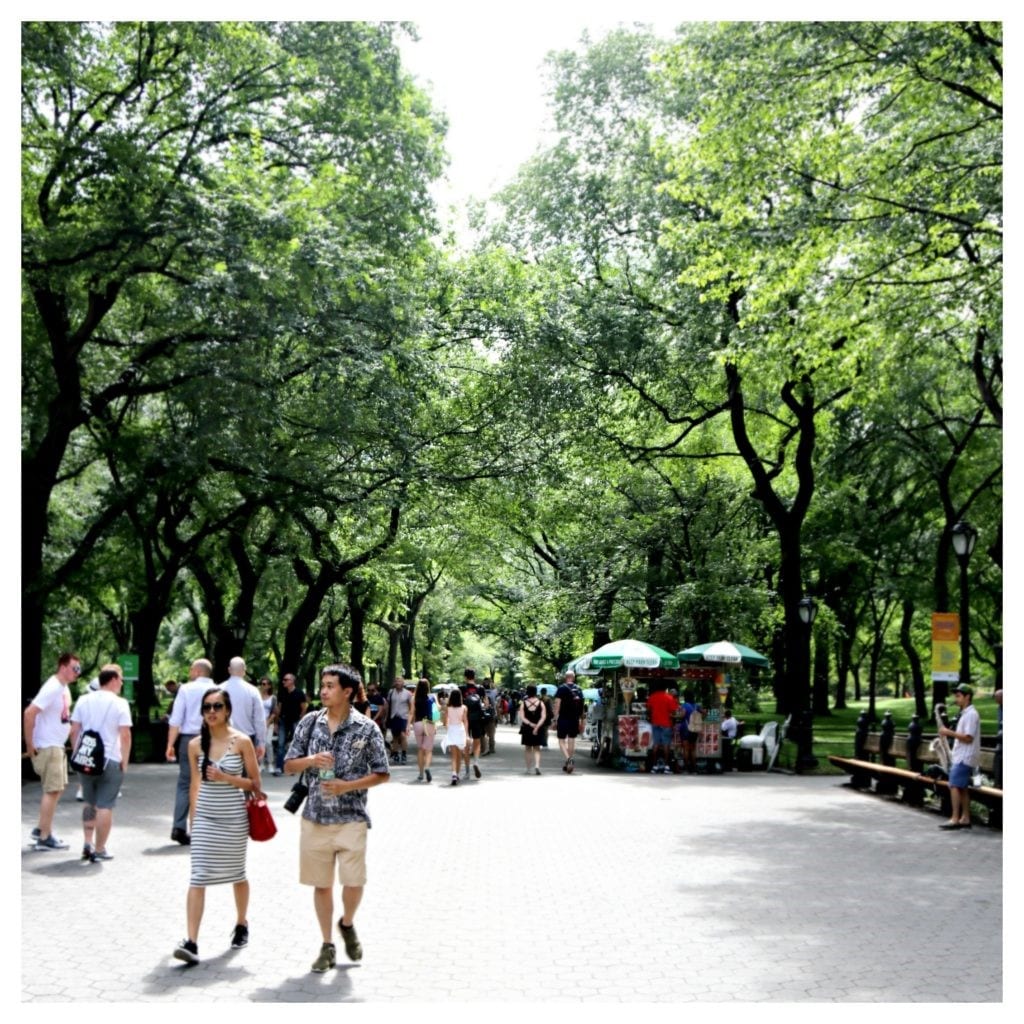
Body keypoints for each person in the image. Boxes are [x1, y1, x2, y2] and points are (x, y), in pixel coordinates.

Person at [284, 664, 390, 972]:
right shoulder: (309, 722)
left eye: (330, 685)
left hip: (351, 817)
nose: (324, 690)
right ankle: (327, 945)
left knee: (354, 881)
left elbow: (382, 773)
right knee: (322, 884)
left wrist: (347, 786)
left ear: (347, 691)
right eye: (323, 685)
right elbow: (289, 764)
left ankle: (347, 922)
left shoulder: (366, 728)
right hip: (315, 816)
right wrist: (312, 761)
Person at [172, 687, 262, 965]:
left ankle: (241, 923)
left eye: (218, 706)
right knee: (198, 876)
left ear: (228, 710)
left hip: (234, 817)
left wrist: (226, 777)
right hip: (205, 819)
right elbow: (195, 785)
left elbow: (255, 785)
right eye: (207, 707)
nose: (212, 711)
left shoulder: (242, 742)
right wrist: (193, 819)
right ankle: (192, 942)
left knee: (237, 873)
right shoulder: (195, 745)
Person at [70, 663, 133, 861]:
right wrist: (125, 760)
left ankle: (87, 842)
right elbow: (125, 735)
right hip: (110, 759)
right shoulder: (120, 703)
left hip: (86, 758)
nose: (122, 683)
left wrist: (77, 753)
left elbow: (74, 730)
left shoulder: (82, 700)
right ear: (113, 679)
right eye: (121, 680)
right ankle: (99, 849)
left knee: (89, 803)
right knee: (105, 805)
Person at [24, 651, 81, 850]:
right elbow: (30, 713)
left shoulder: (63, 688)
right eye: (75, 668)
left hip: (56, 745)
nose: (77, 673)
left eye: (78, 669)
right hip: (48, 745)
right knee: (52, 790)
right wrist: (30, 744)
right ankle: (44, 837)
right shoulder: (53, 687)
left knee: (57, 788)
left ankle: (42, 829)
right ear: (63, 667)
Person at [166, 659, 217, 844]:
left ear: (197, 671)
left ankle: (179, 826)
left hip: (188, 740)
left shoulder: (185, 690)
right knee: (211, 783)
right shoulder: (218, 691)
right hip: (212, 739)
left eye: (191, 669)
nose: (189, 671)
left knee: (185, 783)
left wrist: (170, 744)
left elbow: (176, 720)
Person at [938, 683, 981, 830]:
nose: (955, 699)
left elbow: (968, 738)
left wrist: (948, 733)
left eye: (958, 696)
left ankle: (955, 818)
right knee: (962, 788)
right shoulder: (965, 714)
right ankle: (965, 819)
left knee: (954, 786)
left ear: (967, 697)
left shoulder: (971, 714)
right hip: (962, 755)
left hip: (965, 756)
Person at [221, 657, 267, 763]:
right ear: (244, 671)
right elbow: (259, 719)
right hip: (246, 738)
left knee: (224, 774)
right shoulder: (253, 691)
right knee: (245, 775)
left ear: (229, 670)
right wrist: (261, 743)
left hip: (223, 738)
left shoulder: (219, 689)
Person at [274, 672, 308, 776]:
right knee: (280, 744)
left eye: (286, 680)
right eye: (283, 679)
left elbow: (304, 708)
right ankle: (279, 767)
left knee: (294, 745)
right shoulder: (282, 693)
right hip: (283, 721)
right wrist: (276, 723)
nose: (283, 681)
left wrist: (301, 722)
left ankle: (292, 767)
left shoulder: (299, 693)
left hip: (295, 721)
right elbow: (278, 709)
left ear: (292, 681)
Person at [553, 671, 586, 774]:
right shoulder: (579, 689)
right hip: (575, 719)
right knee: (571, 740)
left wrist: (555, 719)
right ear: (574, 677)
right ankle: (568, 763)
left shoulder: (561, 688)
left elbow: (557, 704)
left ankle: (568, 759)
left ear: (565, 677)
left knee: (561, 740)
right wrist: (582, 722)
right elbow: (582, 707)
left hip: (563, 718)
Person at [645, 683, 679, 773]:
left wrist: (651, 716)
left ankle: (654, 766)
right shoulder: (669, 697)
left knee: (655, 744)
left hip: (655, 722)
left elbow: (648, 710)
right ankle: (667, 767)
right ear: (665, 689)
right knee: (666, 745)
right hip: (666, 723)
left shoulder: (652, 697)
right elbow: (674, 712)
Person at [411, 678, 436, 782]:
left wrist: (408, 725)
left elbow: (412, 713)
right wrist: (435, 726)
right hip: (429, 723)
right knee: (428, 750)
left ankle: (421, 774)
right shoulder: (432, 697)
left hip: (418, 724)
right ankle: (427, 767)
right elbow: (435, 713)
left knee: (420, 749)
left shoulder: (414, 698)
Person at [443, 687, 468, 786]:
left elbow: (445, 722)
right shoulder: (464, 708)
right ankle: (457, 774)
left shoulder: (448, 708)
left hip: (452, 730)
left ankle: (453, 774)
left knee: (453, 755)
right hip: (460, 730)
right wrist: (466, 734)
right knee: (459, 755)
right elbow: (465, 721)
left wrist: (448, 728)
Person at [519, 685, 547, 774]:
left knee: (528, 748)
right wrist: (537, 726)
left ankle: (528, 769)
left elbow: (522, 717)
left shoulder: (523, 703)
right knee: (537, 748)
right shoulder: (541, 703)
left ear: (527, 692)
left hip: (527, 728)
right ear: (536, 692)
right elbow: (543, 717)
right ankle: (537, 766)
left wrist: (530, 724)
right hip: (538, 729)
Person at [462, 671, 485, 778]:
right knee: (477, 741)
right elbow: (486, 703)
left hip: (465, 718)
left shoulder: (461, 688)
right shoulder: (480, 688)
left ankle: (467, 772)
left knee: (466, 744)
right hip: (477, 718)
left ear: (465, 677)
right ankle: (476, 762)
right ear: (474, 676)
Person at [385, 676, 413, 765]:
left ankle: (404, 754)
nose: (398, 683)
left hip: (403, 717)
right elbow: (388, 705)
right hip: (394, 717)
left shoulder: (408, 693)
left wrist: (410, 720)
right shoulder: (391, 692)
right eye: (396, 681)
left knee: (403, 735)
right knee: (395, 737)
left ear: (403, 683)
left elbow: (411, 706)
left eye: (400, 681)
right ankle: (396, 754)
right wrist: (386, 717)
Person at [679, 691, 700, 775]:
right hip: (695, 729)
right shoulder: (697, 706)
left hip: (686, 728)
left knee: (686, 749)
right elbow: (704, 713)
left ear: (685, 697)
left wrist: (675, 716)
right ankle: (694, 768)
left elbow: (682, 715)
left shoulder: (684, 705)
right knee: (693, 749)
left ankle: (686, 768)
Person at [259, 678, 278, 770]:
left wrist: (268, 722)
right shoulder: (257, 696)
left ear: (270, 686)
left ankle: (270, 763)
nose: (264, 686)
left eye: (266, 684)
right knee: (260, 744)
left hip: (269, 722)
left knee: (268, 743)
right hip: (258, 723)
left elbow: (274, 712)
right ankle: (261, 763)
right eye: (263, 684)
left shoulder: (273, 698)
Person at [720, 707, 743, 772]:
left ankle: (727, 766)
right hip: (735, 738)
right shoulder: (733, 719)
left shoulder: (728, 722)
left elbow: (722, 729)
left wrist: (722, 720)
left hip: (729, 739)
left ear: (726, 716)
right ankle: (730, 766)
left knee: (726, 752)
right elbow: (738, 723)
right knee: (730, 752)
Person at [481, 677, 498, 755]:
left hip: (481, 714)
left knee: (482, 733)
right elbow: (495, 689)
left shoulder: (480, 692)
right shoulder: (493, 692)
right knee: (491, 733)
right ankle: (491, 748)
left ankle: (483, 747)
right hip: (492, 714)